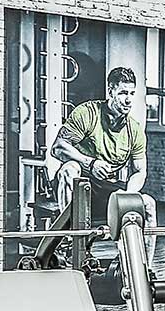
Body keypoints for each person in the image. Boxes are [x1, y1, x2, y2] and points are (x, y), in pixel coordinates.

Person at [49, 66, 149, 211]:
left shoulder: (134, 129)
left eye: (132, 93)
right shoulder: (87, 113)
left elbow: (140, 171)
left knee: (148, 204)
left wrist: (128, 196)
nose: (128, 100)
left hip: (106, 187)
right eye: (123, 93)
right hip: (80, 182)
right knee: (69, 169)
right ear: (110, 92)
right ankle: (70, 228)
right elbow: (57, 148)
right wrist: (91, 164)